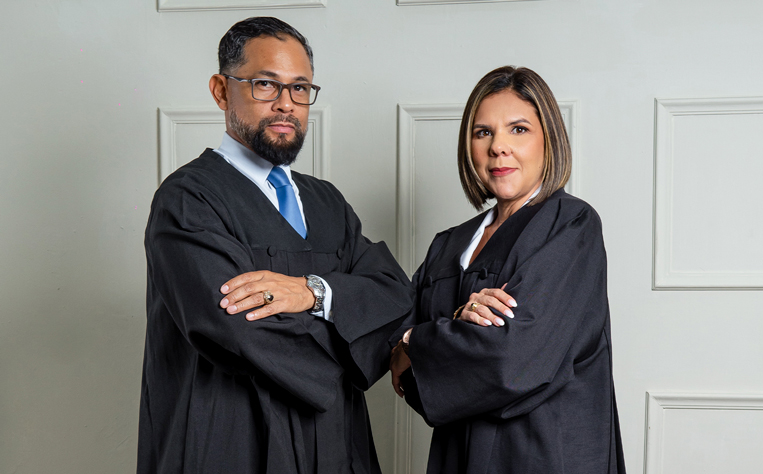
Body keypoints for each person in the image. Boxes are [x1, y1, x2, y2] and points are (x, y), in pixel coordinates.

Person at [138, 17, 413, 474]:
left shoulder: (328, 202)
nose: (286, 104)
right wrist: (353, 328)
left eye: (300, 88)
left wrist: (313, 292)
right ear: (222, 91)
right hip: (231, 444)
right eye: (265, 84)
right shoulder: (189, 200)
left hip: (336, 445)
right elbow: (239, 331)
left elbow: (395, 296)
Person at [389, 66, 626, 474]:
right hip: (455, 456)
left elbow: (512, 362)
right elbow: (398, 364)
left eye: (518, 129)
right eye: (483, 132)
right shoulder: (449, 245)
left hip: (541, 454)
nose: (498, 146)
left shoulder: (570, 226)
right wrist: (435, 337)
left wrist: (416, 342)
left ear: (549, 139)